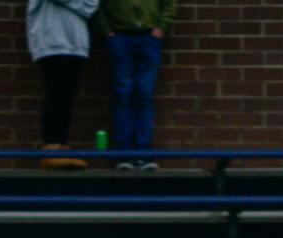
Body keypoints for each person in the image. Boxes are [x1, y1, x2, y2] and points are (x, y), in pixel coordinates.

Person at [96, 0, 174, 171]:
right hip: (120, 36)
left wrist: (161, 26)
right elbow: (97, 5)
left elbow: (170, 3)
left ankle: (143, 152)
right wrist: (106, 30)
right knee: (123, 94)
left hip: (148, 36)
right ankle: (123, 154)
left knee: (144, 93)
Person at [27, 0, 100, 170]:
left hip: (76, 43)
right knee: (55, 94)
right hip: (51, 40)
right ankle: (50, 146)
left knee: (68, 97)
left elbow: (91, 6)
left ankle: (62, 145)